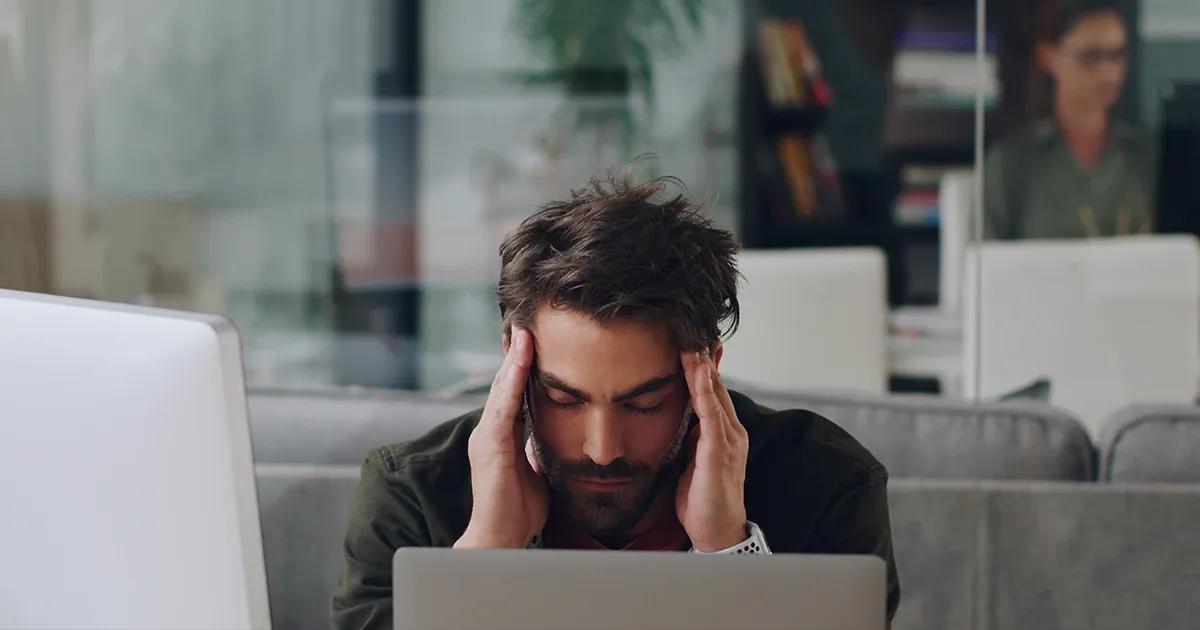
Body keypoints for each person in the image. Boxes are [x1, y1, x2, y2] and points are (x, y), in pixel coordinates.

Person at [330, 172, 900, 628]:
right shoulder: (410, 497)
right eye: (563, 399)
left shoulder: (828, 485)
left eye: (643, 404)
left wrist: (727, 556)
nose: (603, 450)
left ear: (707, 366)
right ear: (513, 362)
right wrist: (486, 556)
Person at [984, 0, 1154, 239]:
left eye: (1117, 56)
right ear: (1049, 55)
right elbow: (986, 266)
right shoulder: (1011, 165)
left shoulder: (1148, 157)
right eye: (1091, 57)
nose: (1109, 73)